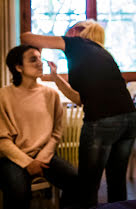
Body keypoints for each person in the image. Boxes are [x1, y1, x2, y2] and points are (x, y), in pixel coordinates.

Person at [21, 20, 136, 208]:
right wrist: (56, 76)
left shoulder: (76, 43)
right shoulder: (101, 54)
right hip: (130, 119)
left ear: (77, 31)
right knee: (117, 182)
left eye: (72, 27)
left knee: (88, 185)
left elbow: (26, 37)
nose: (68, 31)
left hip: (102, 122)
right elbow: (79, 99)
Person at [0, 45, 78, 209]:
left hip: (45, 155)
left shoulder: (51, 94)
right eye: (33, 59)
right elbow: (3, 140)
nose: (40, 63)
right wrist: (27, 162)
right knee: (18, 192)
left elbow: (56, 132)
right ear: (18, 67)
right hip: (13, 158)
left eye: (40, 58)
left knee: (76, 181)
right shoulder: (3, 96)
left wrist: (41, 158)